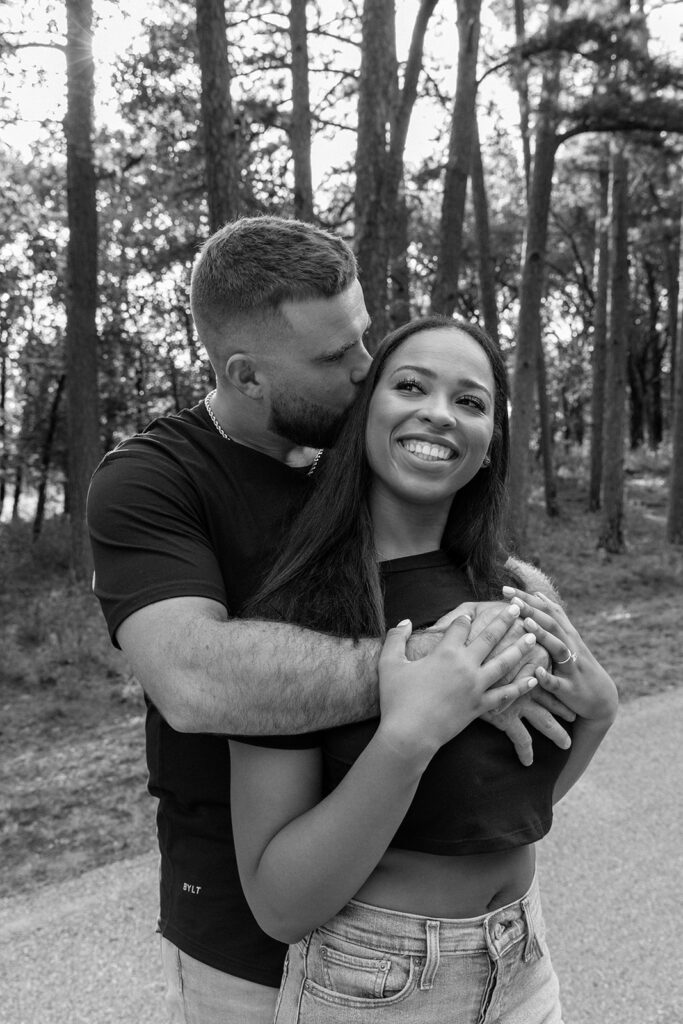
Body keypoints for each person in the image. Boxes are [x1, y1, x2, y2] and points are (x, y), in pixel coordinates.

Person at [86, 217, 574, 1023]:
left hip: (455, 934)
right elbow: (195, 681)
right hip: (243, 945)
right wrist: (439, 675)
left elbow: (457, 554)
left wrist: (523, 642)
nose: (363, 369)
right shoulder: (153, 481)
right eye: (332, 357)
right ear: (246, 375)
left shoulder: (365, 441)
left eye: (362, 339)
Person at [229, 315, 619, 1022]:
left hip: (524, 967)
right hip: (374, 985)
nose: (439, 413)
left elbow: (503, 809)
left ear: (489, 441)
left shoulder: (512, 586)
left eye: (470, 401)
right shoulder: (294, 609)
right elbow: (278, 903)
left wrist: (598, 712)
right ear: (365, 410)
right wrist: (408, 736)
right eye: (410, 385)